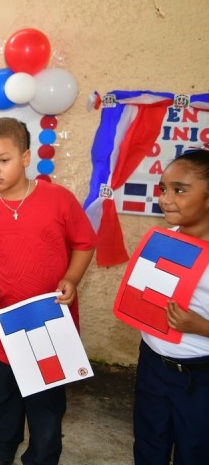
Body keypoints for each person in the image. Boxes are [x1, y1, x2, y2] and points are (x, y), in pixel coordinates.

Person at [0, 117, 96, 465]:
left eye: (3, 160)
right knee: (0, 399)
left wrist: (72, 278)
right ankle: (0, 450)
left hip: (50, 326)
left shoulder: (58, 199)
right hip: (3, 328)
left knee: (46, 404)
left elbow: (85, 243)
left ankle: (42, 456)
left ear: (25, 158)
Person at [132, 148, 209, 465]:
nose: (165, 199)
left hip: (200, 374)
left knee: (195, 451)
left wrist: (200, 326)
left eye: (179, 190)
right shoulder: (163, 239)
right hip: (153, 364)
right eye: (163, 189)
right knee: (148, 444)